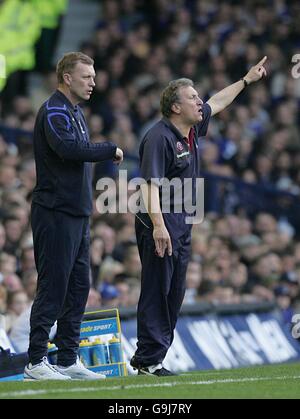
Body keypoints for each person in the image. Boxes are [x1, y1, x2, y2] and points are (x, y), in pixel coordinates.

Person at [131, 57, 267, 376]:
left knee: (176, 291)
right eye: (192, 97)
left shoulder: (190, 128)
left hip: (181, 221)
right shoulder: (159, 137)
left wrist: (246, 80)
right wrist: (159, 226)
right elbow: (149, 185)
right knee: (157, 288)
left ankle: (155, 357)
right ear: (175, 107)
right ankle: (148, 359)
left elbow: (218, 101)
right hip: (159, 221)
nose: (199, 101)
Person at [24, 52, 123, 381]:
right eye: (86, 77)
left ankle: (67, 358)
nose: (93, 82)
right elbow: (69, 149)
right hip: (55, 213)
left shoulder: (74, 112)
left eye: (93, 77)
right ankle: (36, 360)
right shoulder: (54, 110)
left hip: (76, 214)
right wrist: (109, 148)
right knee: (53, 286)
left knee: (79, 287)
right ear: (67, 78)